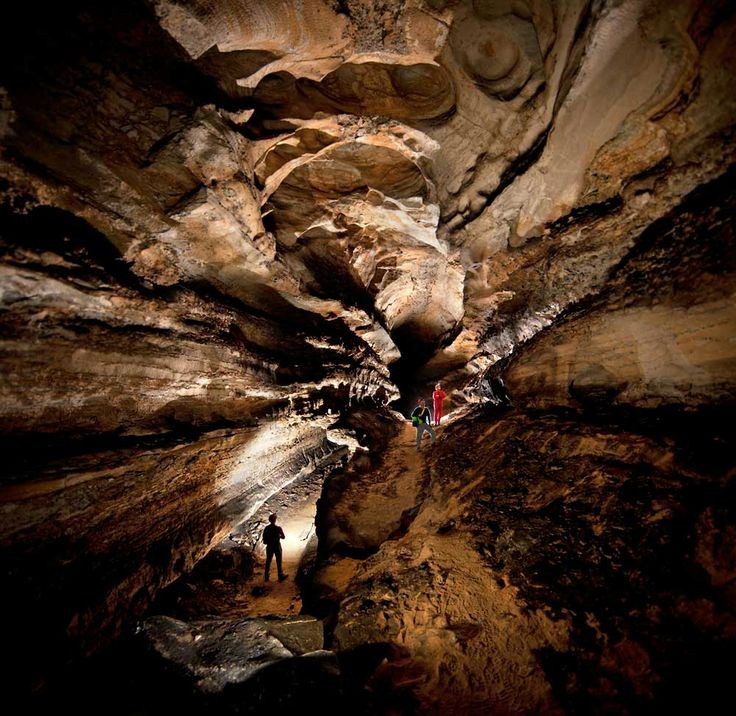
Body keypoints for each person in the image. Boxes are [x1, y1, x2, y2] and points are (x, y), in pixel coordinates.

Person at [262, 513, 288, 582]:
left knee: (268, 561)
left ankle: (266, 577)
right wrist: (278, 536)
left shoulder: (266, 528)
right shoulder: (278, 528)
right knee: (279, 561)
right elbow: (283, 537)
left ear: (269, 520)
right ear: (275, 520)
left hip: (269, 546)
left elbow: (264, 540)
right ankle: (280, 575)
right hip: (277, 546)